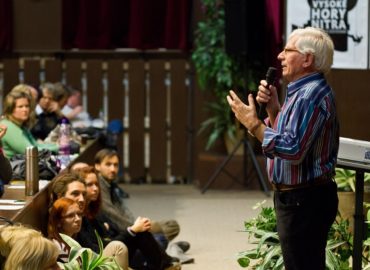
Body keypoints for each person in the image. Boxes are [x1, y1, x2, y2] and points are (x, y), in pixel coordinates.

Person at [227, 27, 339, 270]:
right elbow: (289, 138)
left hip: (305, 200)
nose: (280, 56)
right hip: (299, 199)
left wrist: (254, 124)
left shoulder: (309, 95)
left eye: (287, 50)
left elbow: (293, 150)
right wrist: (273, 109)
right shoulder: (301, 91)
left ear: (307, 59)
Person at [73, 165, 179, 270]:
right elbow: (99, 249)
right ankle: (165, 262)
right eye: (90, 185)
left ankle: (165, 262)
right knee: (155, 239)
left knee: (148, 232)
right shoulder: (80, 216)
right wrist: (131, 230)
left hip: (119, 242)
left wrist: (133, 228)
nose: (95, 188)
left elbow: (116, 227)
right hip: (109, 254)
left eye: (96, 184)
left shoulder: (95, 207)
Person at [94, 149, 185, 248]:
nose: (113, 169)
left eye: (115, 165)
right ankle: (158, 245)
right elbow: (112, 215)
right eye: (108, 164)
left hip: (131, 226)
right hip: (124, 232)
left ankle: (157, 244)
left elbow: (124, 210)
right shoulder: (97, 186)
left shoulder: (110, 184)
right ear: (97, 166)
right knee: (162, 233)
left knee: (172, 225)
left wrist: (139, 223)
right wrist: (136, 227)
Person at [49, 172, 130, 270]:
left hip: (92, 260)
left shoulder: (82, 215)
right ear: (59, 196)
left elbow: (93, 247)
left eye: (84, 194)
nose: (82, 199)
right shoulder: (57, 223)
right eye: (75, 194)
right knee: (118, 247)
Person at [0, 85, 59, 158]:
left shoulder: (20, 125)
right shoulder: (8, 126)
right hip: (15, 168)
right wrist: (59, 148)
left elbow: (36, 145)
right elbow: (32, 152)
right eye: (20, 107)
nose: (25, 110)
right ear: (10, 109)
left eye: (27, 106)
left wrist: (57, 146)